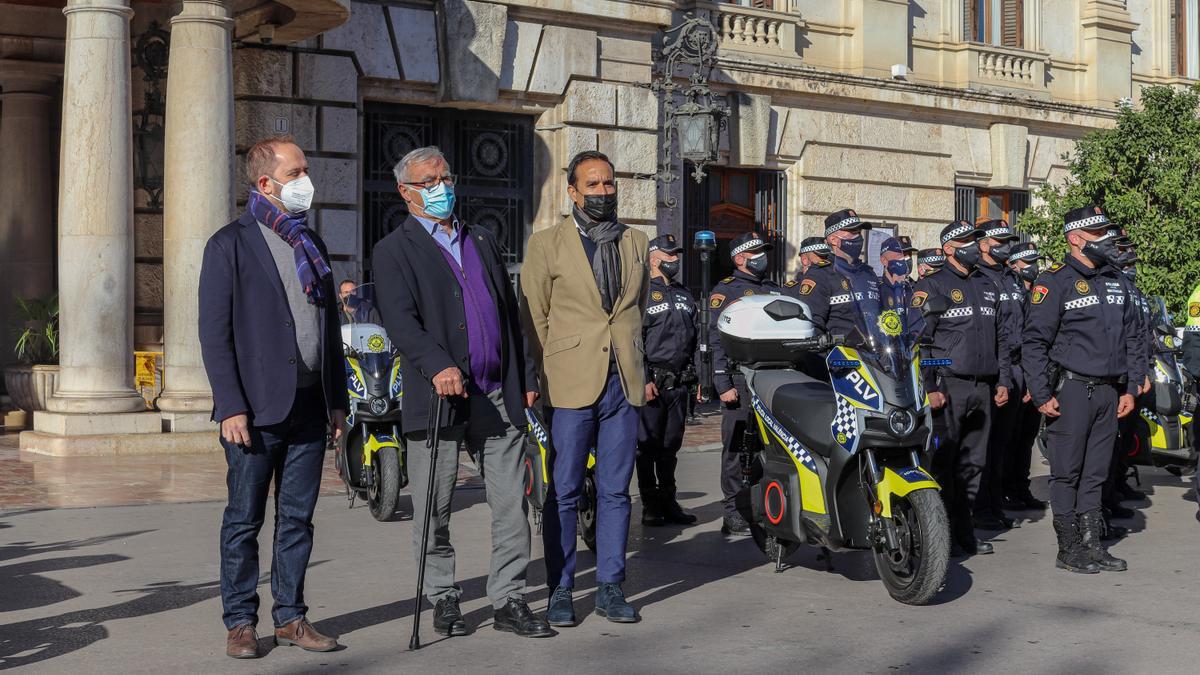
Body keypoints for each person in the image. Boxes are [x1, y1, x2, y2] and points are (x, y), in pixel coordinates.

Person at [373, 146, 553, 639]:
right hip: (439, 399)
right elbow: (400, 323)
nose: (441, 187)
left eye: (445, 177)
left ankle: (510, 598)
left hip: (497, 394)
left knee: (511, 504)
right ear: (406, 192)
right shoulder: (394, 250)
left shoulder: (483, 239)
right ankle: (445, 597)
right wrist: (437, 365)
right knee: (435, 505)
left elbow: (509, 316)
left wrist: (527, 380)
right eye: (429, 181)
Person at [199, 135, 346, 659]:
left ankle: (291, 616)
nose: (308, 181)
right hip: (254, 411)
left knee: (297, 518)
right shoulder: (229, 245)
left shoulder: (311, 243)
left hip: (309, 404)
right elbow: (214, 335)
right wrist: (231, 405)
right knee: (244, 519)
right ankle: (241, 621)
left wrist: (337, 400)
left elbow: (327, 329)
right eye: (298, 172)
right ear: (266, 183)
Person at [520, 150, 649, 626]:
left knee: (617, 490)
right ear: (571, 192)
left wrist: (639, 368)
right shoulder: (547, 244)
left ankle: (611, 587)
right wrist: (533, 379)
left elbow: (637, 310)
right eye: (592, 185)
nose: (602, 192)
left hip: (624, 383)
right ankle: (560, 589)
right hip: (569, 381)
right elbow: (533, 316)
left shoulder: (636, 241)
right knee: (565, 489)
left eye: (608, 184)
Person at [1023, 205, 1140, 574]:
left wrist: (1131, 387)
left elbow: (1134, 337)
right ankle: (1068, 547)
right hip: (1071, 390)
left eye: (1107, 231)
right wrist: (1042, 394)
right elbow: (1034, 342)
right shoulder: (1054, 281)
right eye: (1097, 233)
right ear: (1075, 239)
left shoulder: (1115, 279)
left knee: (1096, 473)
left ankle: (1093, 545)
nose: (1107, 239)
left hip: (1109, 392)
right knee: (1067, 472)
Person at [912, 220, 1011, 557]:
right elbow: (919, 341)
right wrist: (929, 385)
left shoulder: (986, 284)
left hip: (982, 387)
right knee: (945, 463)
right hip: (947, 387)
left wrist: (1003, 379)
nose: (974, 246)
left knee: (974, 464)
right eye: (967, 241)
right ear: (949, 248)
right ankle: (942, 535)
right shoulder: (932, 286)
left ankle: (965, 531)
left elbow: (1001, 338)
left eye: (975, 241)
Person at [709, 231, 794, 536]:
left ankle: (764, 508)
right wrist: (722, 384)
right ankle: (733, 512)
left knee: (768, 448)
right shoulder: (726, 292)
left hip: (773, 380)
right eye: (756, 252)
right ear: (740, 258)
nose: (763, 257)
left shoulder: (773, 289)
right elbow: (715, 340)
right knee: (737, 451)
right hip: (740, 382)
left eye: (763, 251)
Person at [637, 234, 699, 527]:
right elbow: (633, 340)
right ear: (653, 258)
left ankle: (668, 501)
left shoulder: (685, 294)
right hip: (652, 382)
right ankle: (650, 504)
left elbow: (695, 338)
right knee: (647, 445)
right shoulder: (641, 293)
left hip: (680, 382)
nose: (675, 260)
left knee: (671, 445)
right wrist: (642, 377)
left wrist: (698, 377)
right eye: (669, 255)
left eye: (676, 255)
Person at [974, 219, 1024, 531]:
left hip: (1015, 367)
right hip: (992, 370)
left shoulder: (1012, 278)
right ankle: (979, 508)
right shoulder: (978, 277)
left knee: (1004, 444)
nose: (1005, 246)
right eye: (999, 240)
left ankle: (995, 503)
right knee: (985, 447)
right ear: (982, 244)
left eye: (1008, 241)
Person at [1001, 242, 1049, 511]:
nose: (1033, 266)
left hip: (1033, 371)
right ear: (1015, 265)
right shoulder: (1013, 292)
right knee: (1009, 437)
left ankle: (1021, 488)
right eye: (1027, 261)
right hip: (1014, 368)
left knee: (1026, 438)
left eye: (1035, 261)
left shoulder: (1036, 294)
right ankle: (1003, 491)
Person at [797, 208, 883, 341]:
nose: (859, 237)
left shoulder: (868, 273)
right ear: (833, 239)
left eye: (859, 232)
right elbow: (813, 325)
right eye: (852, 232)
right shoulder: (820, 275)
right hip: (842, 356)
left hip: (876, 355)